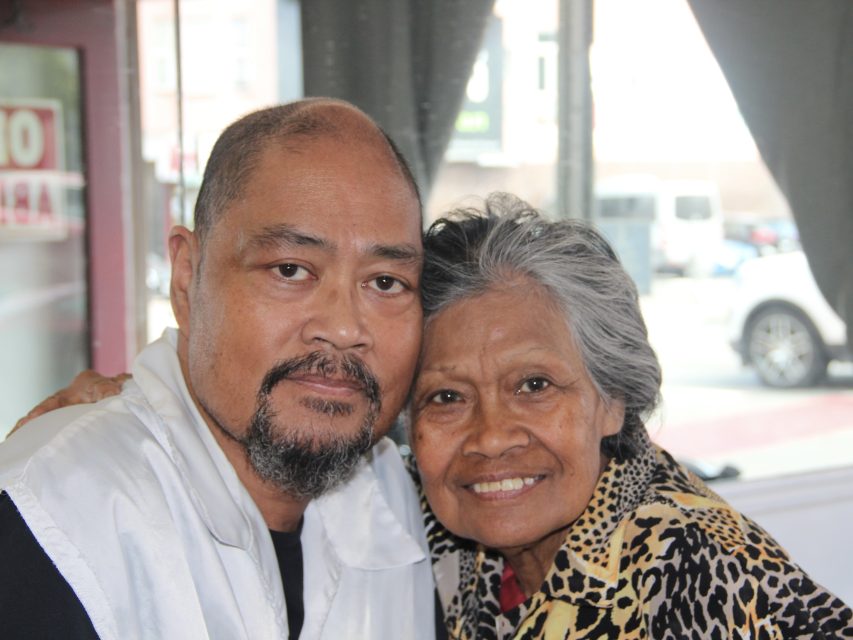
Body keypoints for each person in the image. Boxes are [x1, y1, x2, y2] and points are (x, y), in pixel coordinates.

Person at [0, 98, 438, 639]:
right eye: (290, 269)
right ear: (187, 278)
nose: (345, 327)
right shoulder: (54, 514)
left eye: (386, 282)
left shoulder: (415, 497)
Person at [407, 194, 853, 638]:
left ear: (612, 398)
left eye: (535, 386)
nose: (491, 437)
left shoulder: (696, 572)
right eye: (446, 397)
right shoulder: (429, 513)